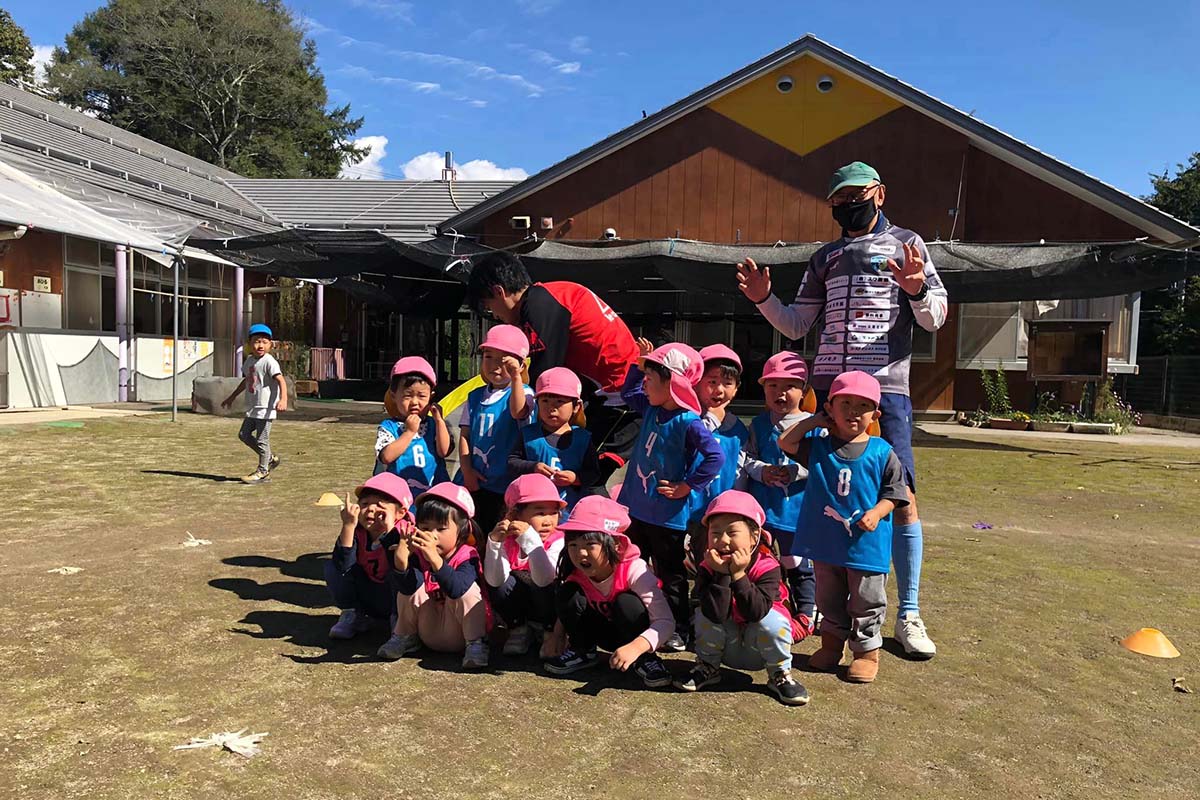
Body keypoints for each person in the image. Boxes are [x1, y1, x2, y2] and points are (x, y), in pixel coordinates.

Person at [736, 160, 947, 659]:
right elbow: (795, 325)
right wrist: (765, 300)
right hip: (829, 386)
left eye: (855, 195)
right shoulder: (824, 258)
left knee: (901, 496)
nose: (846, 205)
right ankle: (833, 619)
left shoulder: (909, 244)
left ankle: (909, 611)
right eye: (837, 199)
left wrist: (915, 287)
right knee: (828, 491)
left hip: (885, 389)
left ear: (879, 192)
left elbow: (936, 316)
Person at [779, 371, 910, 683]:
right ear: (830, 408)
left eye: (862, 406)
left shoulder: (882, 452)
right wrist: (814, 422)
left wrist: (877, 513)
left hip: (865, 545)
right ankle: (831, 645)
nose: (853, 411)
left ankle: (866, 652)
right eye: (845, 403)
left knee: (866, 599)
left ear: (875, 414)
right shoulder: (819, 447)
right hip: (827, 543)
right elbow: (786, 441)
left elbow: (895, 494)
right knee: (829, 597)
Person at [465, 252, 641, 463]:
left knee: (586, 470)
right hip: (608, 391)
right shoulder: (550, 296)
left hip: (621, 394)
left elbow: (546, 374)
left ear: (499, 291)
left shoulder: (540, 305)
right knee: (575, 465)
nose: (493, 314)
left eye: (488, 306)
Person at [620, 340, 724, 651]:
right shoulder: (650, 406)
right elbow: (627, 393)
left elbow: (714, 458)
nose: (645, 382)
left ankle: (679, 627)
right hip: (635, 507)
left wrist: (687, 486)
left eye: (651, 377)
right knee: (632, 564)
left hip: (666, 514)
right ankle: (637, 619)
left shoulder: (690, 423)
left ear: (673, 382)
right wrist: (637, 366)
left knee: (671, 573)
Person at [675, 491, 810, 706]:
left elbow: (755, 612)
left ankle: (779, 674)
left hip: (760, 649)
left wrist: (738, 575)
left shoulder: (767, 567)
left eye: (732, 532)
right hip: (726, 647)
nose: (723, 541)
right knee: (703, 613)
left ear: (754, 537)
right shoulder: (707, 566)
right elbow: (714, 614)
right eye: (715, 532)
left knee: (772, 620)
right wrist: (721, 574)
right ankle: (708, 667)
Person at [543, 495, 675, 688]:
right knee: (567, 592)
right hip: (603, 633)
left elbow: (666, 621)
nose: (580, 553)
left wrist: (636, 647)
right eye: (573, 545)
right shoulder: (576, 571)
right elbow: (568, 606)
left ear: (615, 544)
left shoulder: (634, 570)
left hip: (636, 636)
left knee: (627, 602)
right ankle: (583, 651)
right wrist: (557, 635)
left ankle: (645, 659)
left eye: (590, 545)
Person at [741, 351, 816, 636]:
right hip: (765, 513)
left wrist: (796, 472)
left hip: (797, 514)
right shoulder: (758, 425)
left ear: (804, 390)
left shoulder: (813, 425)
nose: (780, 392)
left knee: (799, 565)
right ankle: (768, 608)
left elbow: (821, 464)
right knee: (762, 563)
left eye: (789, 386)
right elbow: (746, 459)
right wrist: (762, 471)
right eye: (772, 385)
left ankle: (807, 612)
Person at [378, 483, 492, 669]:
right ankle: (404, 637)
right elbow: (407, 589)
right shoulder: (418, 552)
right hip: (429, 630)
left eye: (441, 528)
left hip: (460, 633)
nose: (431, 534)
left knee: (470, 592)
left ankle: (476, 645)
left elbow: (457, 589)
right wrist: (401, 561)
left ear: (462, 530)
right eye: (425, 527)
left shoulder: (468, 554)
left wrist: (434, 559)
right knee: (411, 586)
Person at [455, 324, 536, 533]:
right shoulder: (474, 396)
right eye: (489, 357)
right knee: (470, 532)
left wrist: (517, 378)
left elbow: (519, 411)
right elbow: (465, 435)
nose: (495, 365)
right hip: (474, 479)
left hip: (505, 484)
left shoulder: (525, 393)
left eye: (504, 360)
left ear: (521, 364)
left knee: (499, 533)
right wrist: (466, 469)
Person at [482, 473, 566, 657]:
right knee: (502, 584)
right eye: (540, 512)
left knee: (546, 584)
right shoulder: (508, 540)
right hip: (521, 607)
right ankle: (518, 629)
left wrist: (530, 539)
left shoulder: (558, 541)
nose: (548, 521)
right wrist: (495, 543)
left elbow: (545, 578)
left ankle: (548, 631)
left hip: (548, 608)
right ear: (515, 514)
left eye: (553, 513)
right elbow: (495, 580)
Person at [324, 473, 414, 640]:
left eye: (380, 505)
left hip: (397, 597)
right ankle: (353, 614)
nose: (371, 509)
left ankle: (400, 621)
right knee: (332, 567)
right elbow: (343, 565)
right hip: (370, 596)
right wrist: (348, 526)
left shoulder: (406, 533)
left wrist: (389, 533)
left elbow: (404, 573)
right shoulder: (358, 531)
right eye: (365, 504)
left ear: (400, 512)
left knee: (400, 571)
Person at [507, 366, 604, 517]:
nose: (551, 408)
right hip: (532, 516)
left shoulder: (583, 438)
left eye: (560, 401)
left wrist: (575, 478)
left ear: (576, 406)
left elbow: (593, 473)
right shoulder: (528, 434)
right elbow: (512, 463)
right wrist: (533, 467)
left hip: (570, 514)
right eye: (545, 401)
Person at [375, 356, 452, 494]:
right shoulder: (389, 427)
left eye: (421, 396)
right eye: (407, 396)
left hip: (433, 496)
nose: (414, 402)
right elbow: (386, 457)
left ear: (431, 396)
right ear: (394, 396)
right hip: (400, 498)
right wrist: (409, 432)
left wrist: (440, 421)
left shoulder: (434, 425)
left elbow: (444, 451)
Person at [220, 323, 287, 484]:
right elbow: (246, 381)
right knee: (244, 435)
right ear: (249, 344)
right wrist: (232, 397)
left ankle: (263, 471)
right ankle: (269, 458)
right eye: (256, 341)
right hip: (253, 407)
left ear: (270, 345)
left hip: (266, 408)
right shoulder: (250, 361)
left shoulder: (269, 361)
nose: (260, 345)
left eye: (264, 342)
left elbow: (281, 380)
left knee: (263, 440)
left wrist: (283, 399)